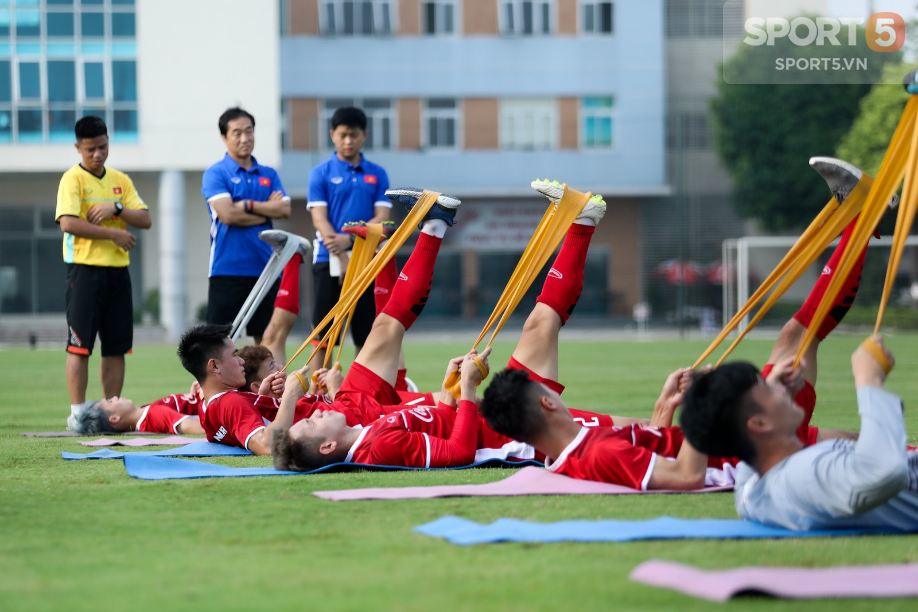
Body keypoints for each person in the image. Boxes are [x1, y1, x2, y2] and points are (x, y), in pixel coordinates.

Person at [271, 183, 647, 472]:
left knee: (537, 325)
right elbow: (273, 450)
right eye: (309, 423)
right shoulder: (370, 445)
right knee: (620, 424)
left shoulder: (362, 434)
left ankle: (581, 219)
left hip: (441, 411)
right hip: (507, 425)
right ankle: (582, 221)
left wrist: (453, 391)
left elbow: (438, 426)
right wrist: (465, 387)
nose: (312, 415)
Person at [180, 187, 460, 455]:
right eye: (233, 356)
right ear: (213, 366)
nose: (241, 360)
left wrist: (264, 398)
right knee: (388, 326)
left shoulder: (209, 407)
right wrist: (290, 394)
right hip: (345, 415)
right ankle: (434, 224)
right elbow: (266, 446)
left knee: (389, 328)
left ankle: (431, 225)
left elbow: (244, 425)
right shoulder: (226, 403)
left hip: (341, 412)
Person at [681, 336, 918, 532]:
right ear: (760, 424)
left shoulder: (754, 493)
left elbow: (745, 470)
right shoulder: (801, 477)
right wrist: (869, 380)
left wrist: (773, 388)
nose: (779, 388)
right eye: (767, 388)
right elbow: (882, 472)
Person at [56, 116, 152, 427]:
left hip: (118, 274)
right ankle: (76, 414)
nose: (98, 155)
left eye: (103, 147)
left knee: (116, 348)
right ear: (77, 148)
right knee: (79, 346)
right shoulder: (72, 180)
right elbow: (68, 223)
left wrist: (117, 209)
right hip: (84, 272)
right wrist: (114, 234)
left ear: (108, 141)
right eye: (90, 150)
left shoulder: (120, 180)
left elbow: (145, 219)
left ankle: (112, 416)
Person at [307, 107, 391, 371]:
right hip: (327, 259)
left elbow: (383, 218)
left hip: (366, 261)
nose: (348, 141)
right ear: (332, 135)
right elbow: (319, 219)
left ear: (364, 135)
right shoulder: (320, 173)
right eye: (342, 135)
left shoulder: (377, 174)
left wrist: (351, 241)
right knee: (324, 332)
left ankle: (358, 392)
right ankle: (319, 393)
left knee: (365, 333)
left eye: (353, 135)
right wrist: (342, 254)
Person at [202, 107, 291, 343]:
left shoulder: (269, 174)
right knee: (219, 343)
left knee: (266, 340)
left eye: (249, 131)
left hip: (266, 267)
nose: (245, 138)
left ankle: (263, 383)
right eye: (237, 133)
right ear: (224, 137)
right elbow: (228, 215)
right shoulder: (216, 173)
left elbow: (284, 210)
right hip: (227, 269)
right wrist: (265, 212)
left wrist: (248, 205)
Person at [71, 395, 205, 436]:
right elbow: (198, 428)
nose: (115, 397)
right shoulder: (155, 415)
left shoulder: (145, 412)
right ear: (114, 419)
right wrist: (208, 394)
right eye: (111, 401)